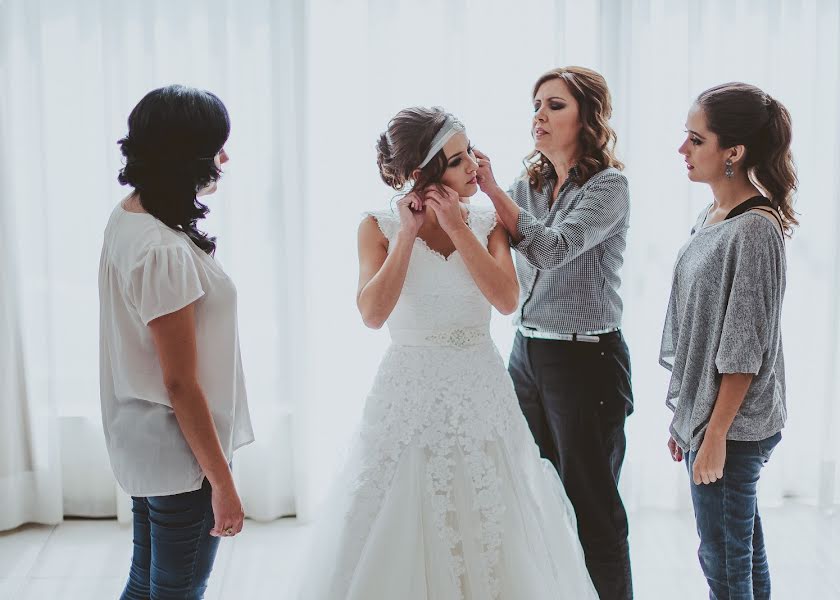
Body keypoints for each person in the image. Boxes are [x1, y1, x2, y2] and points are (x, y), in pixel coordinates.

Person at [300, 106, 598, 599]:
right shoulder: (377, 226)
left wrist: (459, 229)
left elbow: (506, 300)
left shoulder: (485, 223)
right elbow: (373, 314)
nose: (475, 167)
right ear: (423, 174)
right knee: (401, 506)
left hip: (480, 385)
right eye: (460, 160)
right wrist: (409, 235)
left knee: (492, 509)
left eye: (470, 154)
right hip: (409, 389)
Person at [474, 66, 633, 598]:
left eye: (555, 105)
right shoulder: (528, 186)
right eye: (536, 104)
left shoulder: (610, 187)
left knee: (592, 506)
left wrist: (492, 188)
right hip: (527, 354)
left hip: (587, 362)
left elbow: (553, 248)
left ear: (587, 116)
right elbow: (490, 240)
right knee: (532, 495)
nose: (539, 115)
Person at [99, 84, 254, 600]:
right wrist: (224, 486)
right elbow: (181, 382)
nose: (225, 158)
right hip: (180, 456)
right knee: (176, 590)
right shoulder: (162, 250)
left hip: (149, 444)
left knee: (147, 584)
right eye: (217, 147)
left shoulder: (131, 216)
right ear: (186, 155)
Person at [661, 81, 797, 599]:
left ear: (733, 152)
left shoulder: (755, 230)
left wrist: (713, 433)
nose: (683, 150)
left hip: (737, 425)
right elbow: (702, 327)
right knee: (739, 548)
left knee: (721, 557)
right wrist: (690, 417)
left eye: (696, 139)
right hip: (716, 417)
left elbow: (744, 351)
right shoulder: (714, 215)